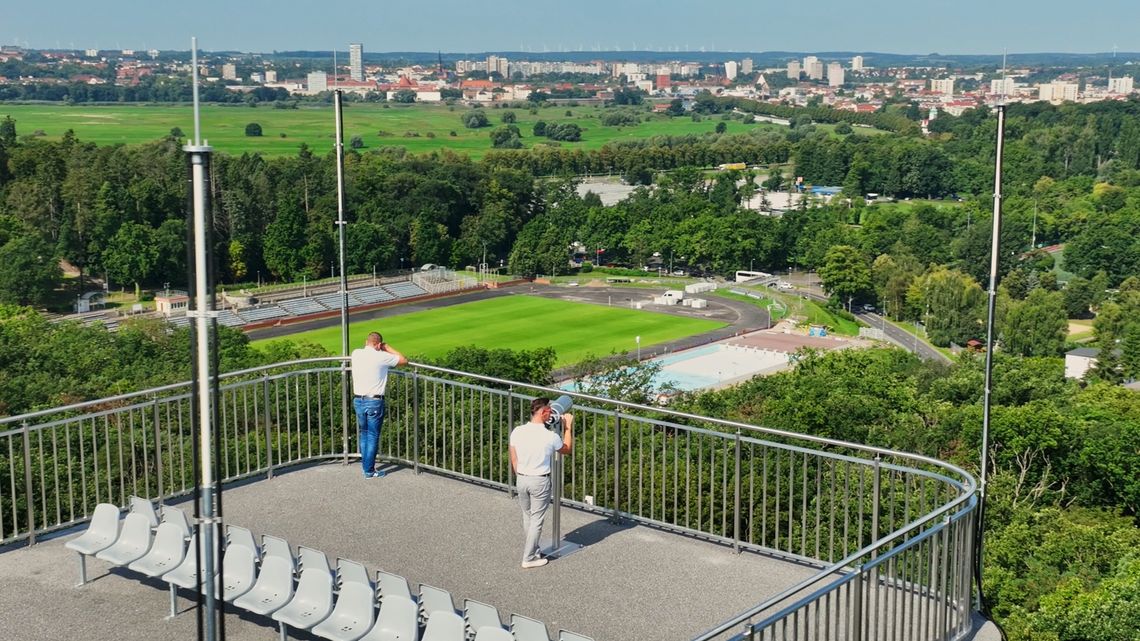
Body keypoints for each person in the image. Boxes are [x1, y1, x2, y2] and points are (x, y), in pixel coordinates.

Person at [509, 397, 573, 569]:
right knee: (537, 520)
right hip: (540, 480)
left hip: (522, 478)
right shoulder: (550, 436)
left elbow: (514, 458)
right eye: (550, 412)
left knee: (528, 516)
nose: (552, 414)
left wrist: (520, 474)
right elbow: (567, 449)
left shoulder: (518, 431)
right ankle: (528, 558)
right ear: (544, 412)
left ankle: (534, 550)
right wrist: (567, 427)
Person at [350, 331, 407, 478]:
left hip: (358, 400)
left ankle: (366, 467)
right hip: (374, 401)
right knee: (373, 435)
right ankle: (369, 470)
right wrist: (387, 347)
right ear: (379, 345)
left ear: (366, 342)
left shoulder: (356, 353)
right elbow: (403, 360)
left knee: (364, 434)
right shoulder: (382, 356)